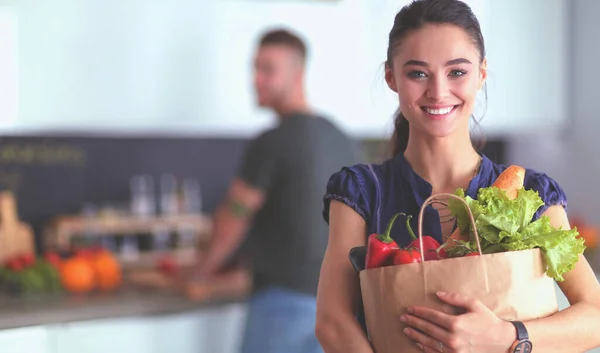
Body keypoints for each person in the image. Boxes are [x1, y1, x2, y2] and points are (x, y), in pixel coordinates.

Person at [315, 0, 600, 352]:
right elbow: (332, 322)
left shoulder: (530, 193)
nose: (438, 91)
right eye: (418, 73)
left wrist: (508, 337)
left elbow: (596, 315)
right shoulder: (360, 192)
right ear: (391, 77)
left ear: (482, 73)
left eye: (457, 72)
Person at [196, 28, 362, 353]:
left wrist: (200, 272)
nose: (256, 79)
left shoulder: (273, 140)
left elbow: (235, 215)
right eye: (255, 69)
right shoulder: (343, 141)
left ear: (298, 74)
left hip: (280, 306)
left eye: (268, 70)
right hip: (336, 307)